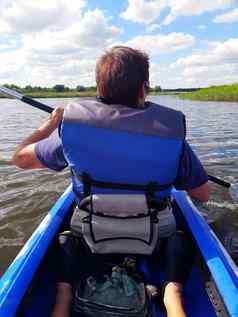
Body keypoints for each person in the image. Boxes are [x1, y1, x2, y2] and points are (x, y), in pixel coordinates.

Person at [13, 46, 210, 317]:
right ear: (143, 89)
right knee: (178, 238)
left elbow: (20, 159)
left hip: (91, 234)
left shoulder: (72, 130)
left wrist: (50, 124)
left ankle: (63, 297)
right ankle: (172, 294)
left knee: (67, 240)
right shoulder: (171, 134)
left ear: (99, 87)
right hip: (155, 237)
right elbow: (202, 193)